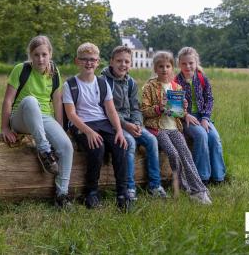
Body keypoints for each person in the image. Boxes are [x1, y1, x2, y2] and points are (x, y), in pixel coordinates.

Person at [1, 35, 73, 208]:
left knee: (66, 146)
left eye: (44, 54)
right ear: (30, 56)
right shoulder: (21, 69)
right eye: (36, 55)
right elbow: (8, 100)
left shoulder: (55, 72)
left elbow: (57, 102)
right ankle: (44, 151)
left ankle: (62, 194)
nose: (40, 59)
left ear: (50, 54)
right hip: (21, 117)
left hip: (44, 117)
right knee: (31, 101)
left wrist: (61, 129)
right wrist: (4, 127)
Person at [62, 42, 130, 211]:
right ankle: (91, 192)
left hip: (102, 123)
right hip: (81, 124)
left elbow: (111, 110)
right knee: (97, 148)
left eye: (92, 59)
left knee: (120, 146)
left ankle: (122, 192)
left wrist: (120, 131)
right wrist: (89, 132)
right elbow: (71, 115)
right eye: (84, 59)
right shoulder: (70, 84)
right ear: (77, 61)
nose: (89, 63)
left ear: (98, 62)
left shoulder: (102, 83)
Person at [141, 51, 212, 205]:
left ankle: (198, 190)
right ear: (155, 68)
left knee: (186, 154)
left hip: (174, 127)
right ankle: (181, 185)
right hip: (157, 128)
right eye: (161, 66)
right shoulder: (149, 87)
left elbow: (178, 113)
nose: (164, 69)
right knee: (173, 154)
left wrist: (183, 109)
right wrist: (160, 107)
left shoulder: (176, 87)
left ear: (172, 68)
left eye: (167, 66)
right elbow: (145, 111)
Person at [100, 46, 167, 201]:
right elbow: (106, 111)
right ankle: (129, 188)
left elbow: (136, 107)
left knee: (151, 140)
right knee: (129, 142)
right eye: (119, 61)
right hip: (112, 124)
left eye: (126, 61)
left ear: (130, 64)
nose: (123, 64)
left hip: (131, 122)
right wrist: (125, 126)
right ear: (111, 61)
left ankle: (155, 185)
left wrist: (137, 123)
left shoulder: (131, 82)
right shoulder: (104, 82)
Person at [175, 47, 226, 185]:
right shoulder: (175, 82)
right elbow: (174, 106)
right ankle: (202, 177)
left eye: (191, 63)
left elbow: (209, 99)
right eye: (184, 63)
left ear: (196, 62)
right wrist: (185, 115)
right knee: (201, 136)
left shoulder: (202, 79)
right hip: (185, 118)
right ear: (179, 64)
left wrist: (205, 118)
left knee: (214, 138)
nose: (188, 66)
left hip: (202, 116)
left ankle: (219, 176)